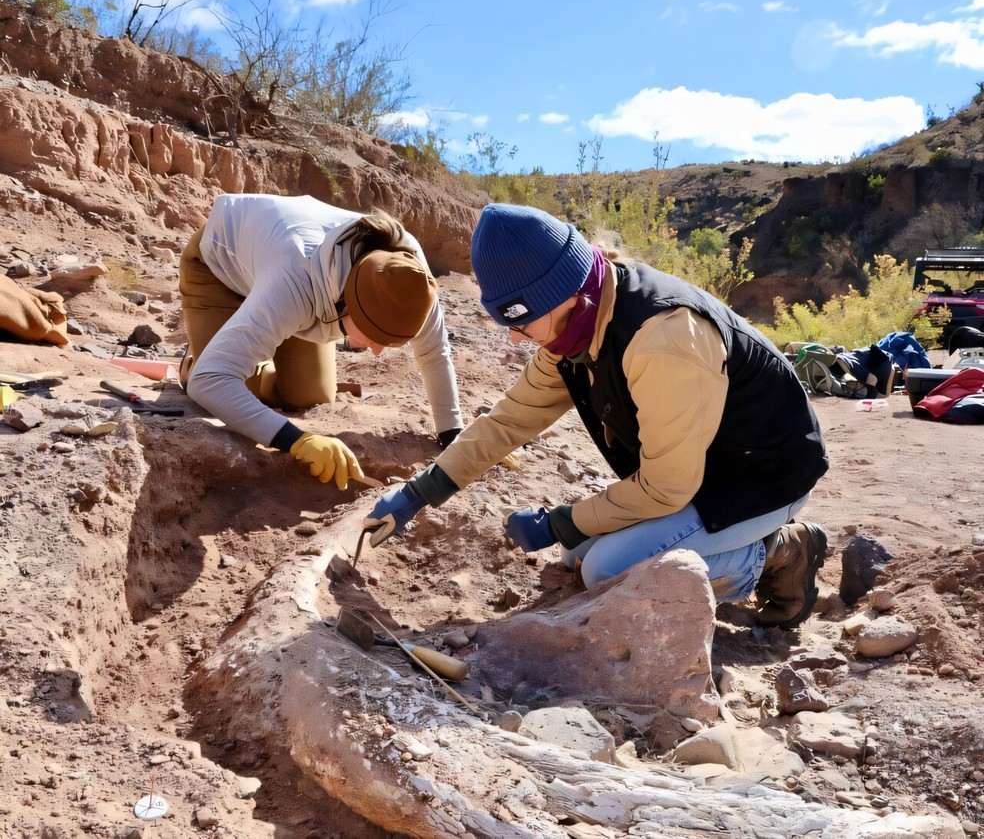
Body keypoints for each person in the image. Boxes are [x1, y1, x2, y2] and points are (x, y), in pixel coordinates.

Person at [367, 203, 830, 629]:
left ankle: (778, 554)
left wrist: (556, 522)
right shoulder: (576, 324)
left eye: (520, 322)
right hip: (701, 468)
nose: (514, 339)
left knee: (607, 569)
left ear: (558, 296)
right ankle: (739, 547)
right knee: (580, 553)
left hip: (766, 476)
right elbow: (510, 420)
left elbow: (666, 488)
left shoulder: (662, 338)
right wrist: (417, 493)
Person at [178, 193, 463, 489]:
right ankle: (197, 357)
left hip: (288, 288)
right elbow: (211, 380)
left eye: (389, 343)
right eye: (374, 336)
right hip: (220, 268)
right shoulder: (294, 278)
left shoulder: (410, 281)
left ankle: (251, 337)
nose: (377, 352)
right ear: (348, 304)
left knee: (309, 395)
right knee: (224, 388)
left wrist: (453, 433)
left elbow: (434, 352)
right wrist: (296, 441)